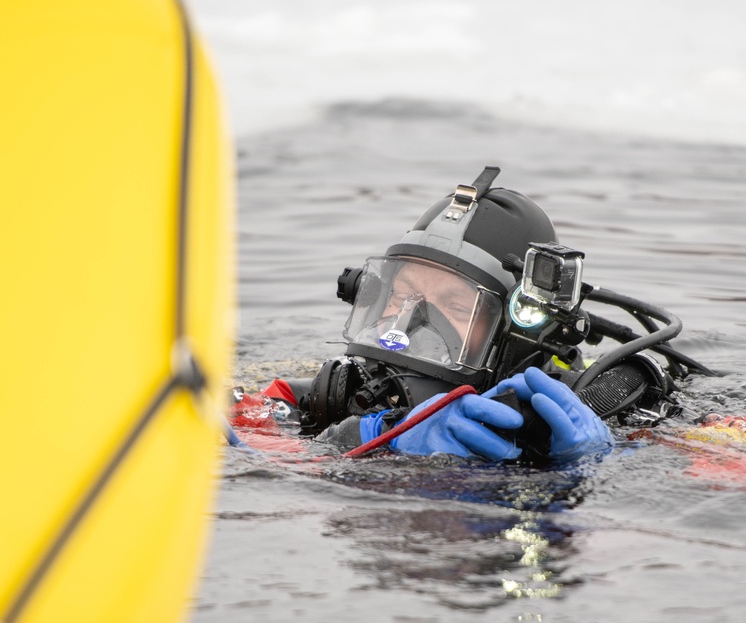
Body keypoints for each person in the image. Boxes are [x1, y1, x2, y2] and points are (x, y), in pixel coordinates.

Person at [233, 165, 719, 465]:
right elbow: (207, 436)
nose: (408, 324)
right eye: (401, 294)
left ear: (518, 331)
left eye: (456, 306)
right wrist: (362, 436)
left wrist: (595, 465)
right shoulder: (326, 401)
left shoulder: (594, 407)